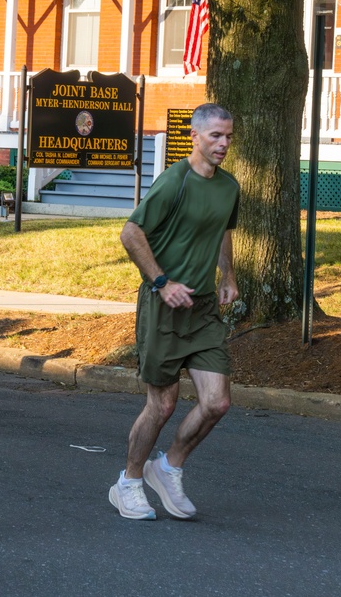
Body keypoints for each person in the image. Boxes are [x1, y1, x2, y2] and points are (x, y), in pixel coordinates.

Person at [108, 103, 239, 521]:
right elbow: (131, 233)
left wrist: (227, 277)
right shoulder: (174, 181)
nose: (223, 144)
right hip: (163, 307)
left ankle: (168, 467)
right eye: (216, 136)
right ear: (195, 136)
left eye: (229, 137)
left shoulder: (229, 186)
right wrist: (162, 282)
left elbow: (221, 231)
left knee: (217, 403)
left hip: (201, 310)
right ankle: (127, 483)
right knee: (162, 405)